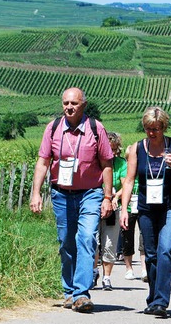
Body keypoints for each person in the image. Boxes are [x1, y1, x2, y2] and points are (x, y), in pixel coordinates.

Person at [29, 87, 114, 313]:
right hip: (61, 194)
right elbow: (43, 162)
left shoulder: (96, 129)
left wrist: (107, 197)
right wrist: (35, 192)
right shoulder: (53, 128)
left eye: (74, 103)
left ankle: (81, 293)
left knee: (86, 238)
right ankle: (68, 291)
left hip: (90, 193)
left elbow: (107, 164)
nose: (69, 107)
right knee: (66, 241)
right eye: (65, 103)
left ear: (83, 105)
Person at [119, 106, 171, 318]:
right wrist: (124, 209)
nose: (152, 133)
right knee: (150, 255)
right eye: (149, 128)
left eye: (157, 129)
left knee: (165, 249)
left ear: (164, 127)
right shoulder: (137, 149)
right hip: (146, 207)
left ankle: (161, 301)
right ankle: (153, 297)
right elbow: (130, 180)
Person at [94, 132, 126, 291]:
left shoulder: (121, 164)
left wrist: (116, 197)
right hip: (94, 205)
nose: (111, 153)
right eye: (108, 149)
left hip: (113, 206)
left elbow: (126, 185)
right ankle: (93, 272)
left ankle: (107, 277)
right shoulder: (94, 162)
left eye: (114, 149)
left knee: (109, 243)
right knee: (93, 242)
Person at [119, 144, 146, 282]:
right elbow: (123, 187)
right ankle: (129, 268)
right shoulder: (126, 171)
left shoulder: (143, 171)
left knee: (144, 238)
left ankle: (144, 269)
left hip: (142, 207)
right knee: (127, 238)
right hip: (129, 209)